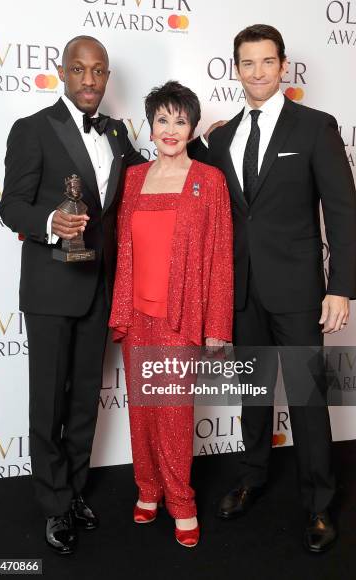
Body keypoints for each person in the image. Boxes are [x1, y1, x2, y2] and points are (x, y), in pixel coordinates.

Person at [188, 24, 356, 552]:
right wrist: (195, 138)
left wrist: (341, 287)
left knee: (307, 398)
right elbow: (185, 173)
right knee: (253, 395)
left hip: (299, 289)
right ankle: (251, 478)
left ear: (283, 66)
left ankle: (319, 502)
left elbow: (342, 209)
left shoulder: (315, 127)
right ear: (234, 69)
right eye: (247, 63)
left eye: (267, 62)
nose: (257, 72)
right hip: (241, 290)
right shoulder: (221, 137)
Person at [0, 35, 145, 555]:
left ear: (107, 77)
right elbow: (11, 206)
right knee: (48, 403)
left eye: (99, 70)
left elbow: (148, 176)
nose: (90, 79)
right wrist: (48, 221)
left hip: (99, 288)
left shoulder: (116, 133)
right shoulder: (32, 130)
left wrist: (198, 144)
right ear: (62, 72)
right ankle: (54, 503)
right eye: (80, 69)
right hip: (50, 289)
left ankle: (76, 491)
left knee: (85, 401)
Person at [109, 81, 233, 547]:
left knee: (175, 412)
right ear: (150, 124)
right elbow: (123, 247)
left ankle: (182, 502)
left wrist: (217, 325)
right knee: (142, 409)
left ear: (192, 127)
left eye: (180, 120)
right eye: (162, 119)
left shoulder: (210, 180)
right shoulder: (134, 178)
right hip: (138, 312)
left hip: (181, 317)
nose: (170, 129)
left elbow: (221, 256)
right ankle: (148, 489)